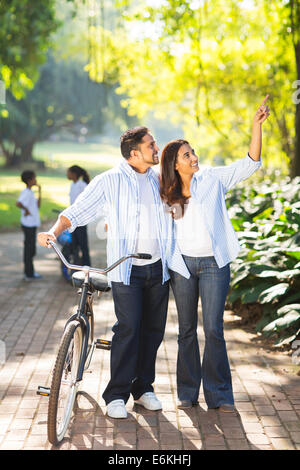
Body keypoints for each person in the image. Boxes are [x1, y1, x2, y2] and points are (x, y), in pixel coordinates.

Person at [37, 127, 189, 419]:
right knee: (128, 329)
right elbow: (77, 211)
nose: (157, 149)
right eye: (151, 145)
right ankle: (116, 394)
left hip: (159, 268)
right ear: (134, 153)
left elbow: (178, 215)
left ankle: (143, 389)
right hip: (126, 269)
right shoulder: (110, 181)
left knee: (153, 331)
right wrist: (53, 232)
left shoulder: (161, 180)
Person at [159, 95, 270, 412]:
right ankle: (187, 393)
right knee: (185, 331)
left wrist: (255, 126)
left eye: (192, 151)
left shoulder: (212, 179)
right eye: (186, 154)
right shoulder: (166, 191)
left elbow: (249, 164)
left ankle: (219, 394)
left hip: (213, 265)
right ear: (175, 164)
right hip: (182, 267)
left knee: (214, 330)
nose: (194, 157)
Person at [16, 170, 42, 281]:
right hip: (28, 224)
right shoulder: (26, 192)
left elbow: (38, 206)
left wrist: (40, 191)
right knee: (29, 249)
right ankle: (28, 274)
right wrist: (26, 210)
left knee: (31, 249)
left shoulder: (30, 192)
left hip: (32, 224)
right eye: (34, 178)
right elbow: (18, 203)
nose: (36, 180)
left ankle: (30, 272)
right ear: (29, 180)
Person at [66, 165, 91, 266]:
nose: (67, 174)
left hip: (80, 219)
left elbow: (87, 201)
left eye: (68, 172)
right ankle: (76, 265)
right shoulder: (73, 185)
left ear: (74, 174)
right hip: (73, 219)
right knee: (74, 244)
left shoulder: (82, 185)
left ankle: (87, 265)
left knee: (83, 244)